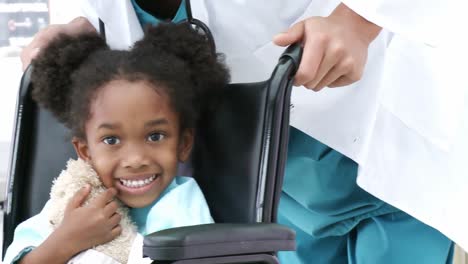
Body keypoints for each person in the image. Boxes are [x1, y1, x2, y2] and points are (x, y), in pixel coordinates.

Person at [16, 0, 468, 263]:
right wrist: (85, 29)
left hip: (377, 141)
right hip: (266, 178)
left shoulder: (180, 209)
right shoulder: (88, 205)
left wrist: (358, 19)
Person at [3, 22, 229, 264]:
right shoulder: (74, 200)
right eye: (111, 140)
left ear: (183, 144)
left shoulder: (182, 207)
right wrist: (65, 241)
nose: (135, 160)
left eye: (155, 136)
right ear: (85, 151)